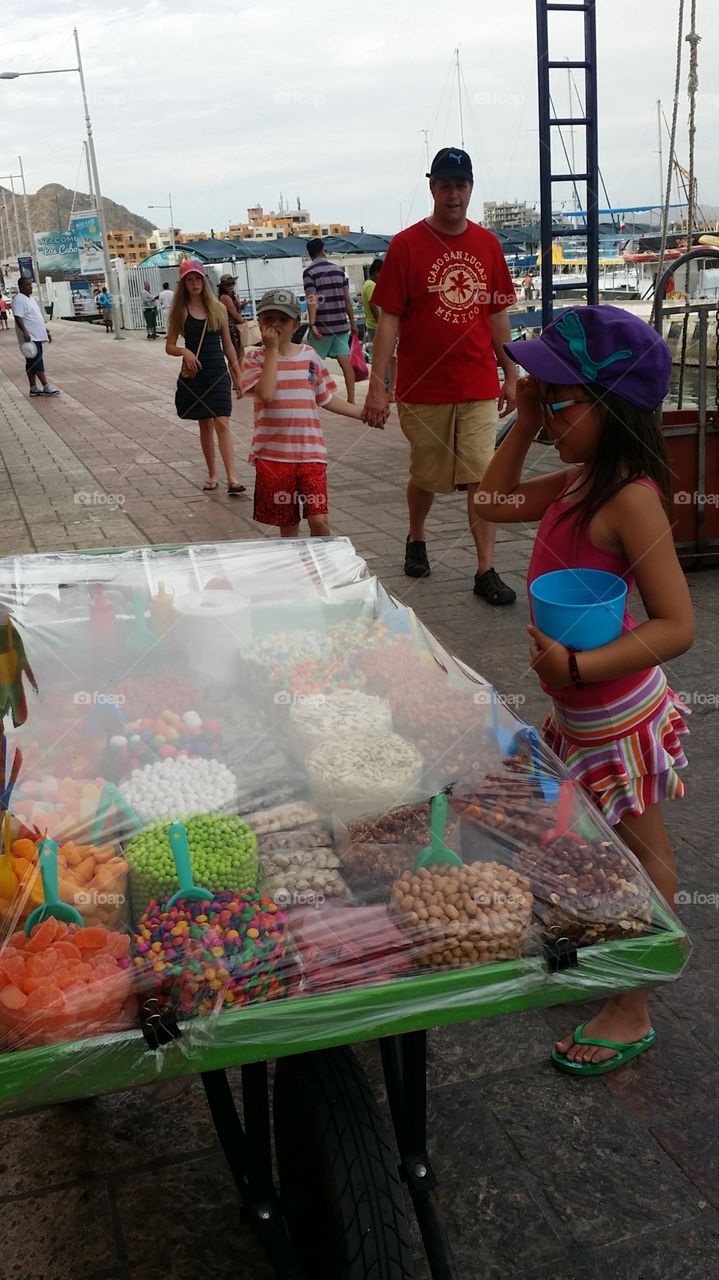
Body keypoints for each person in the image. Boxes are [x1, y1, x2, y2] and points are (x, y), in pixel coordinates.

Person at [478, 304, 694, 1075]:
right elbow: (488, 504)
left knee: (640, 852)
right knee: (592, 843)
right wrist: (528, 421)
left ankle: (633, 1002)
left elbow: (676, 626)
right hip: (578, 707)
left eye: (560, 399)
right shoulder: (572, 481)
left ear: (611, 410)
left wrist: (575, 668)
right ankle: (599, 939)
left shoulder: (628, 497)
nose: (545, 408)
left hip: (614, 710)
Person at [364, 146, 518, 603]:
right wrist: (378, 388)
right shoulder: (406, 245)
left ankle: (485, 569)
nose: (454, 194)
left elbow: (496, 314)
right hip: (422, 387)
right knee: (428, 476)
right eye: (445, 185)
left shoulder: (488, 245)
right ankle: (416, 535)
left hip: (476, 383)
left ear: (471, 188)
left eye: (461, 185)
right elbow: (388, 319)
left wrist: (510, 372)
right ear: (432, 188)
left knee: (480, 475)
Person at [240, 288, 373, 538]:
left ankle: (322, 566)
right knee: (288, 526)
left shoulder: (310, 356)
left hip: (310, 454)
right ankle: (299, 572)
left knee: (319, 519)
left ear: (295, 324)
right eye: (268, 319)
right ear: (259, 322)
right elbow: (266, 394)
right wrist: (271, 351)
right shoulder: (255, 359)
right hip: (274, 458)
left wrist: (363, 413)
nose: (275, 326)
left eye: (283, 320)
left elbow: (327, 398)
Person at [165, 259, 245, 495]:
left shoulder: (218, 308)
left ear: (203, 280)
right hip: (196, 373)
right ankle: (212, 474)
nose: (194, 283)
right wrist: (184, 350)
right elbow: (169, 346)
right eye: (189, 279)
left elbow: (229, 347)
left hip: (217, 370)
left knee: (222, 422)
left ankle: (232, 477)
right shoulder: (180, 311)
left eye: (197, 278)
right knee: (205, 425)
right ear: (184, 284)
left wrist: (238, 377)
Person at [303, 238, 358, 404]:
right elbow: (347, 300)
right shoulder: (338, 271)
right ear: (323, 251)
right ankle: (352, 400)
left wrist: (312, 324)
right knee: (345, 362)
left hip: (322, 326)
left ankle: (310, 398)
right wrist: (353, 323)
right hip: (341, 325)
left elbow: (312, 299)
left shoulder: (309, 272)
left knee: (311, 364)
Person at [11, 277, 60, 396]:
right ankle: (46, 385)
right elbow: (18, 317)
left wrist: (46, 331)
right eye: (27, 285)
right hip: (30, 336)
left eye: (30, 285)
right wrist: (25, 332)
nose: (30, 287)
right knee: (36, 361)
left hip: (37, 334)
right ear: (21, 287)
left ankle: (33, 387)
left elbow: (35, 316)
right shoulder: (19, 300)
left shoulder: (30, 299)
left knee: (31, 362)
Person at [218, 275, 245, 361]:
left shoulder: (231, 296)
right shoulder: (225, 297)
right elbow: (235, 314)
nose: (231, 286)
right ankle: (238, 373)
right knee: (237, 354)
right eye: (228, 284)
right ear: (223, 286)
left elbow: (236, 310)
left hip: (234, 327)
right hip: (231, 328)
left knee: (238, 353)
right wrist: (247, 324)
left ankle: (238, 373)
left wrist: (242, 306)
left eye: (233, 284)